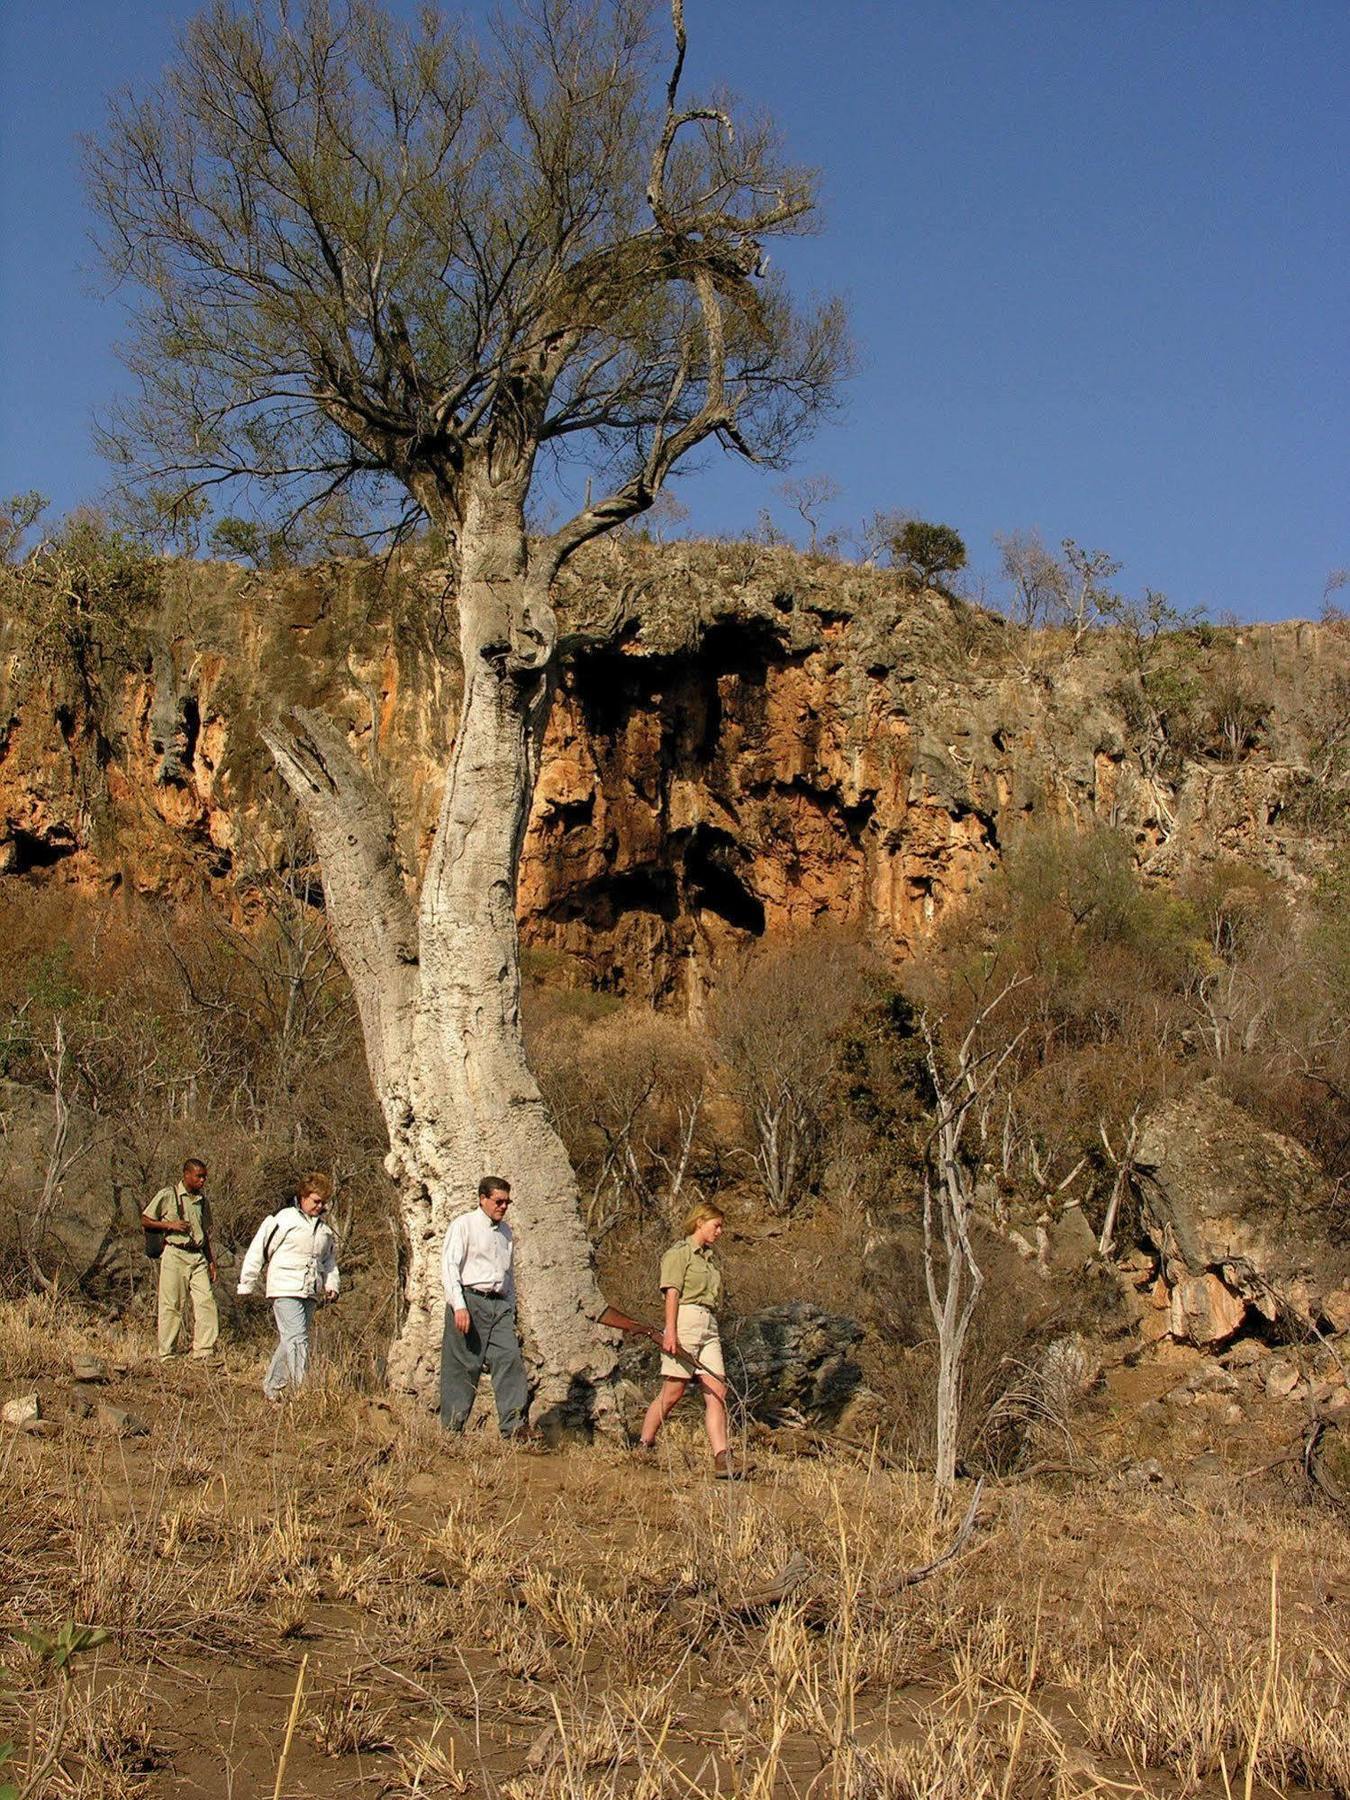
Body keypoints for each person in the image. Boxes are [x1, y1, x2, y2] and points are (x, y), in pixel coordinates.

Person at [637, 1201, 736, 1477]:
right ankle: (644, 1444)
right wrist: (671, 1331)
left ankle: (722, 1457)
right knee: (673, 1391)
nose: (720, 1231)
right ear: (699, 1222)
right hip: (685, 1321)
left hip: (709, 1325)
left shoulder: (710, 1259)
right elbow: (672, 1293)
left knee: (718, 1391)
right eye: (716, 1225)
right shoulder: (679, 1254)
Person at [237, 1173, 340, 1402]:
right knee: (297, 1338)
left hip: (310, 1290)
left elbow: (329, 1261)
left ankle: (272, 1387)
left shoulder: (325, 1230)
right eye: (315, 1201)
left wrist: (332, 1284)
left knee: (291, 1339)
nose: (319, 1206)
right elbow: (259, 1249)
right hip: (284, 1287)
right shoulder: (283, 1219)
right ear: (302, 1197)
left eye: (323, 1202)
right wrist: (247, 1283)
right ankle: (301, 1390)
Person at [440, 1176, 529, 1439]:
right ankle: (451, 1431)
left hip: (498, 1304)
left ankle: (513, 1427)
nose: (503, 1206)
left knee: (510, 1357)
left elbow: (508, 1275)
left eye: (507, 1202)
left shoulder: (506, 1233)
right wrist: (459, 1305)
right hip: (470, 1299)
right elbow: (450, 1266)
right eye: (498, 1201)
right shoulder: (463, 1225)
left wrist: (510, 1309)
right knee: (462, 1366)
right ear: (482, 1199)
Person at [142, 1157, 219, 1362]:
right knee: (172, 1304)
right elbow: (146, 1219)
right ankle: (167, 1353)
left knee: (206, 1302)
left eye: (204, 1177)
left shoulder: (203, 1201)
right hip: (175, 1253)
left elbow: (205, 1233)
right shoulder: (168, 1194)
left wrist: (211, 1261)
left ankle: (204, 1351)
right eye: (199, 1176)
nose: (203, 1180)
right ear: (186, 1175)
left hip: (197, 1255)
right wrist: (170, 1225)